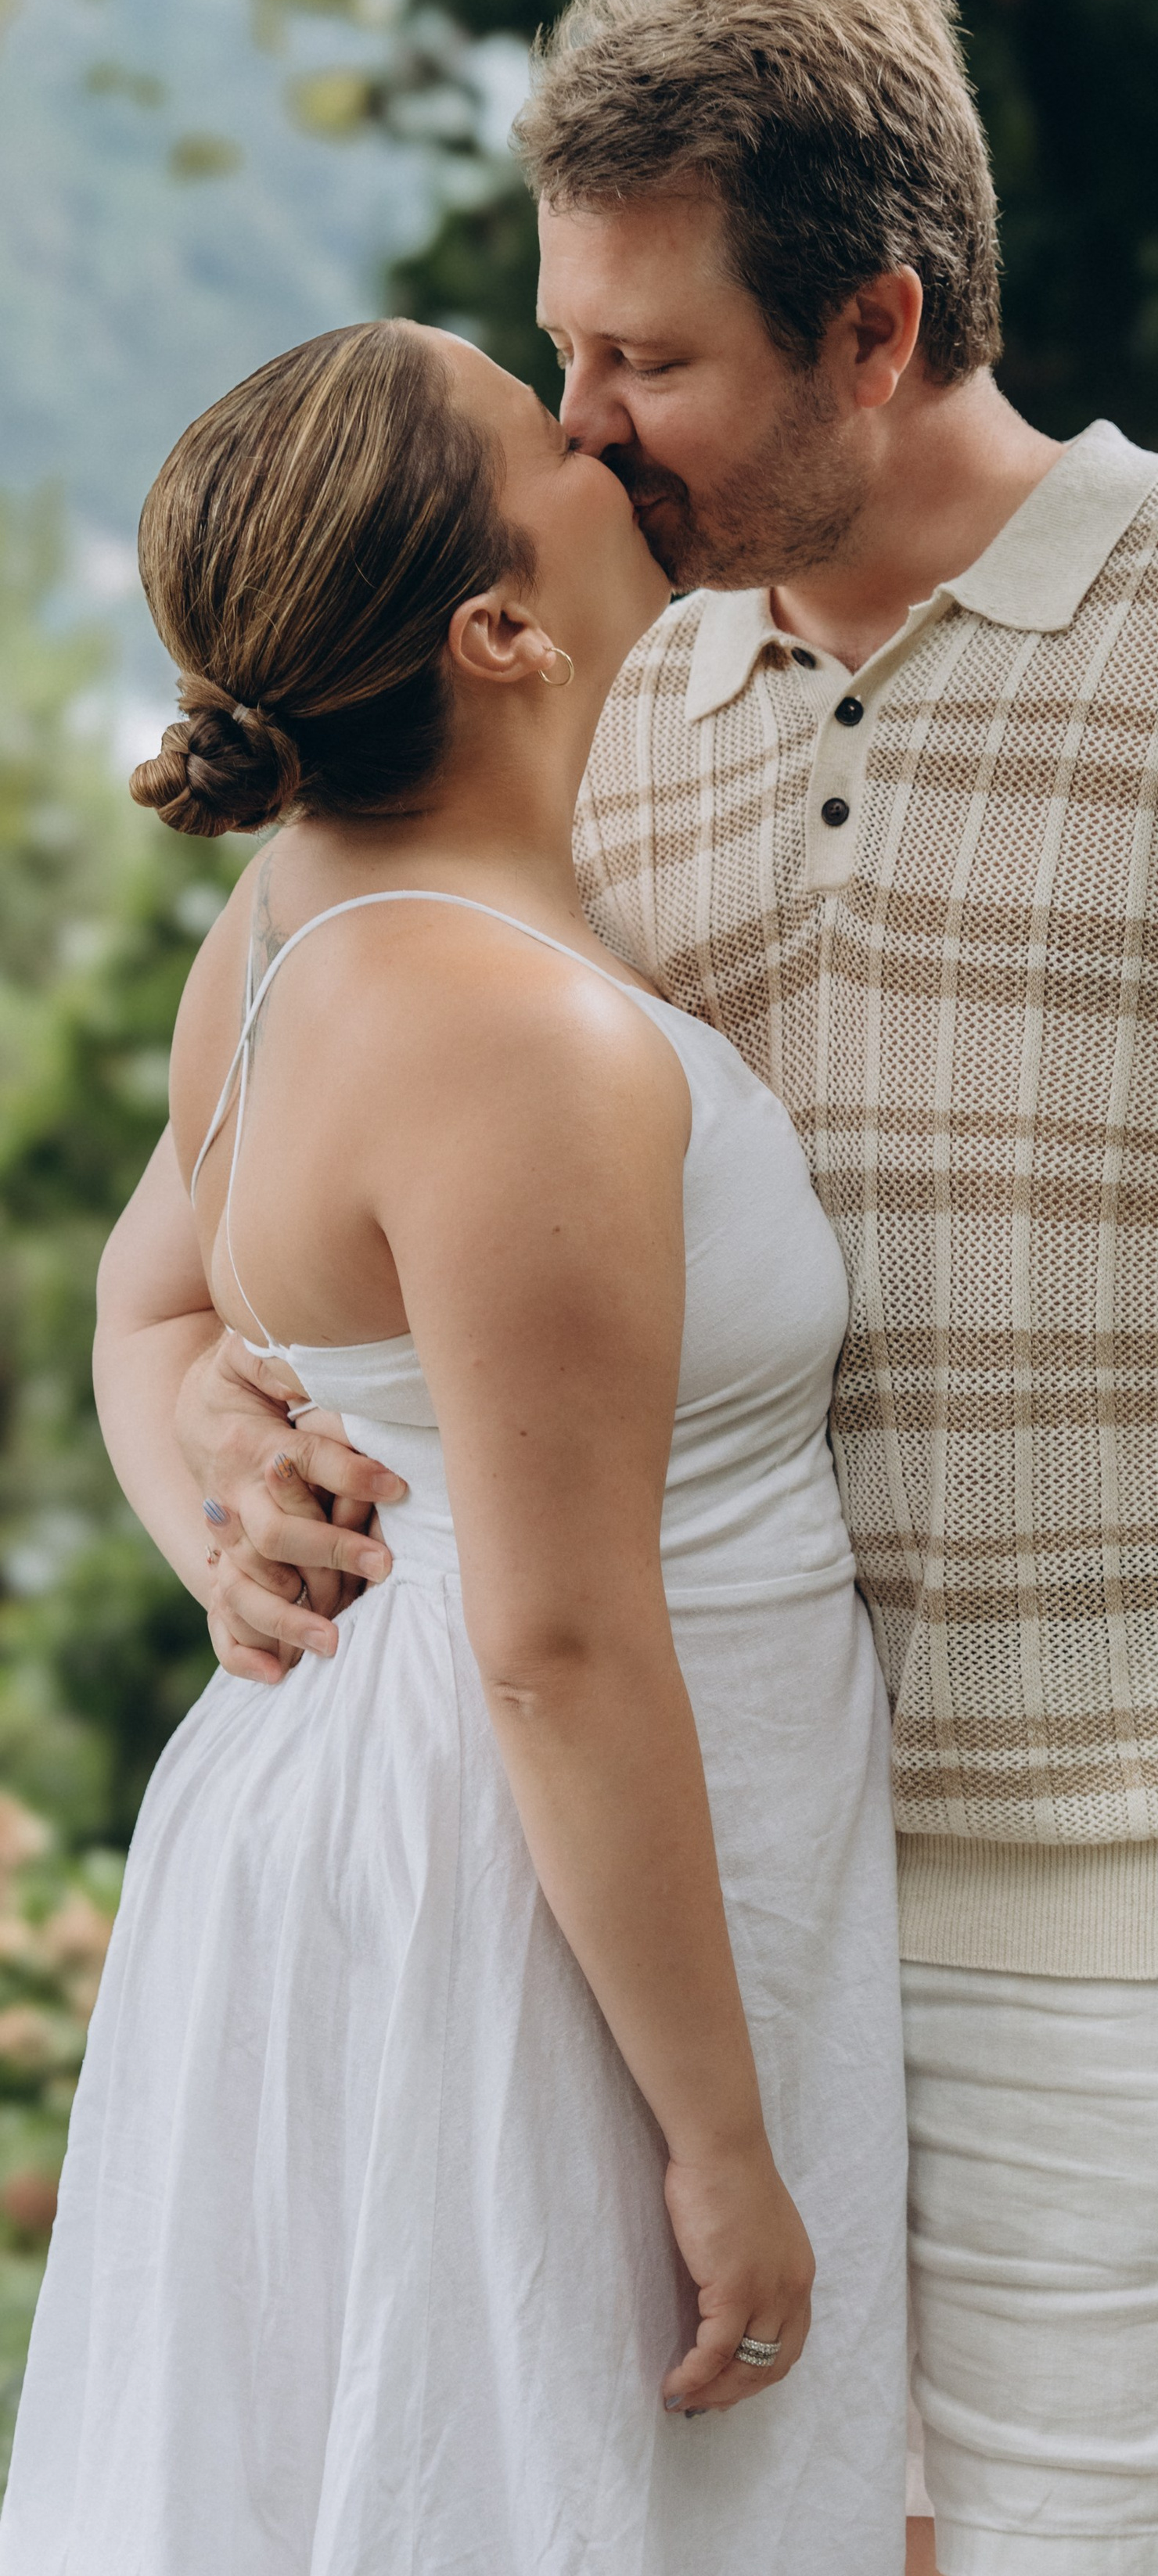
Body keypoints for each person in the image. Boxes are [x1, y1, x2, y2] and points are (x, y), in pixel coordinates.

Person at [110, 0, 1158, 2576]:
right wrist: (203, 1456)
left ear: (874, 326)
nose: (581, 422)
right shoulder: (618, 695)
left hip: (1128, 1881)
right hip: (718, 1892)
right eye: (562, 354)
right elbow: (224, 1257)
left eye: (643, 365)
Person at [4, 318, 907, 2574]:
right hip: (520, 1895)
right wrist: (720, 2140)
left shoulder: (293, 911)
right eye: (547, 432)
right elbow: (561, 1640)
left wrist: (205, 1492)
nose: (600, 431)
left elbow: (149, 1303)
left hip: (354, 1824)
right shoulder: (514, 1039)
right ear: (497, 629)